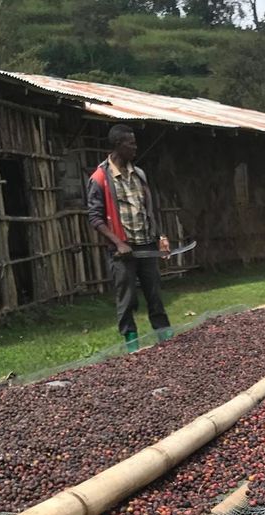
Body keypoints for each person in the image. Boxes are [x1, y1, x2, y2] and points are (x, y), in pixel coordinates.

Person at [87, 124, 172, 352]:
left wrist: (160, 236)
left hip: (145, 244)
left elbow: (149, 209)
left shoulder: (139, 174)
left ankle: (166, 339)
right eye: (130, 143)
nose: (135, 147)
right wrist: (118, 242)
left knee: (154, 294)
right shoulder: (100, 178)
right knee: (127, 299)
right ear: (118, 145)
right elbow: (95, 218)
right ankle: (132, 345)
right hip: (122, 250)